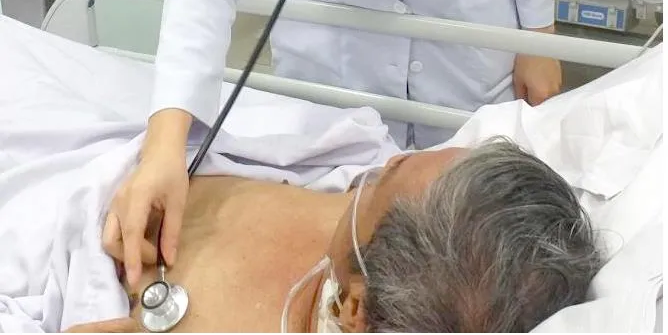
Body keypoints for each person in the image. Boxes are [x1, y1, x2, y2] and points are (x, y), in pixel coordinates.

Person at [106, 0, 563, 293]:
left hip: (466, 10)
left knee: (478, 225)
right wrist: (164, 146)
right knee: (340, 233)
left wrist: (539, 37)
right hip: (333, 34)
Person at [79, 140, 600, 332]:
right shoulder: (408, 227)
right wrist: (164, 149)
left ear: (353, 308)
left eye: (387, 178)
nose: (389, 158)